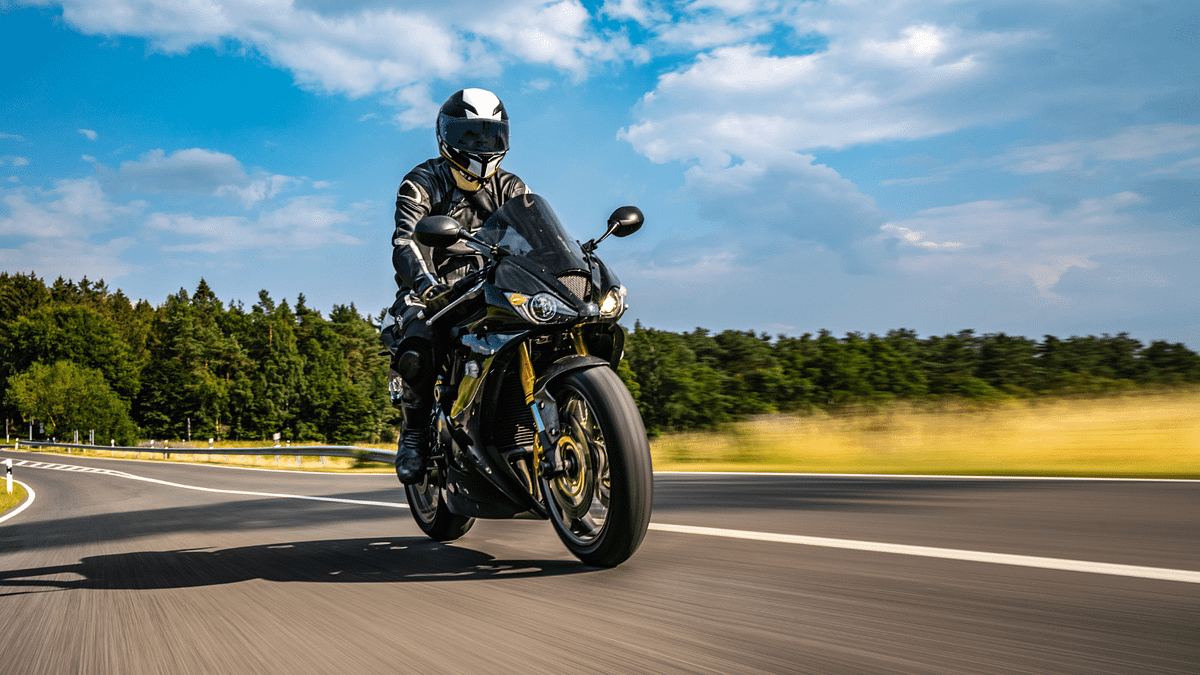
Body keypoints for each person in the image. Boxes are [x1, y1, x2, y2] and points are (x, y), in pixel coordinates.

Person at [388, 88, 530, 484]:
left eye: (489, 135)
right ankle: (414, 433)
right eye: (469, 136)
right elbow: (405, 241)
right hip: (434, 288)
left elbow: (537, 235)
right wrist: (427, 286)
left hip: (495, 284)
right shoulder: (421, 181)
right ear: (445, 136)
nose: (480, 146)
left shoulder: (513, 187)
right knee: (418, 346)